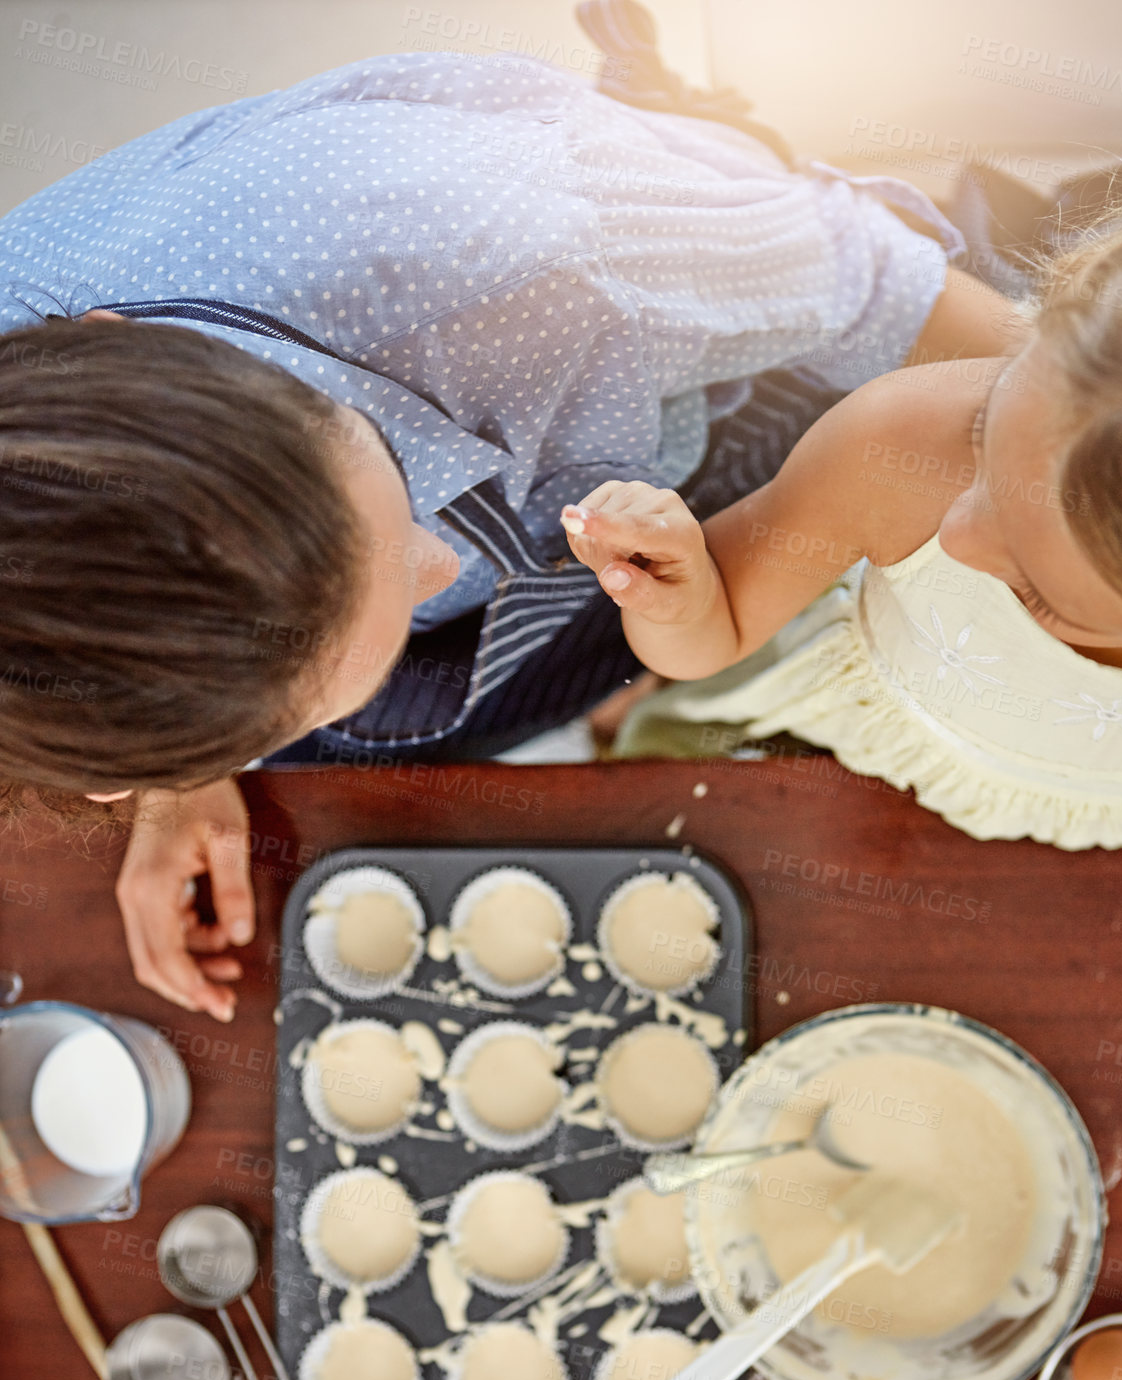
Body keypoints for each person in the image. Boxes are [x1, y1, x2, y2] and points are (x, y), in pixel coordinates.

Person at [0, 51, 1029, 1020]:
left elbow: (873, 278)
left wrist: (1057, 463)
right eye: (276, 710)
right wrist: (189, 760)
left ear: (124, 346)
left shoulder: (539, 239)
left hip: (695, 393)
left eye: (392, 489)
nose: (445, 568)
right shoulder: (70, 524)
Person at [559, 211, 1122, 850]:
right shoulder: (901, 441)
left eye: (1036, 591)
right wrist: (681, 604)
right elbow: (720, 626)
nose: (955, 538)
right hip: (810, 768)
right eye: (987, 438)